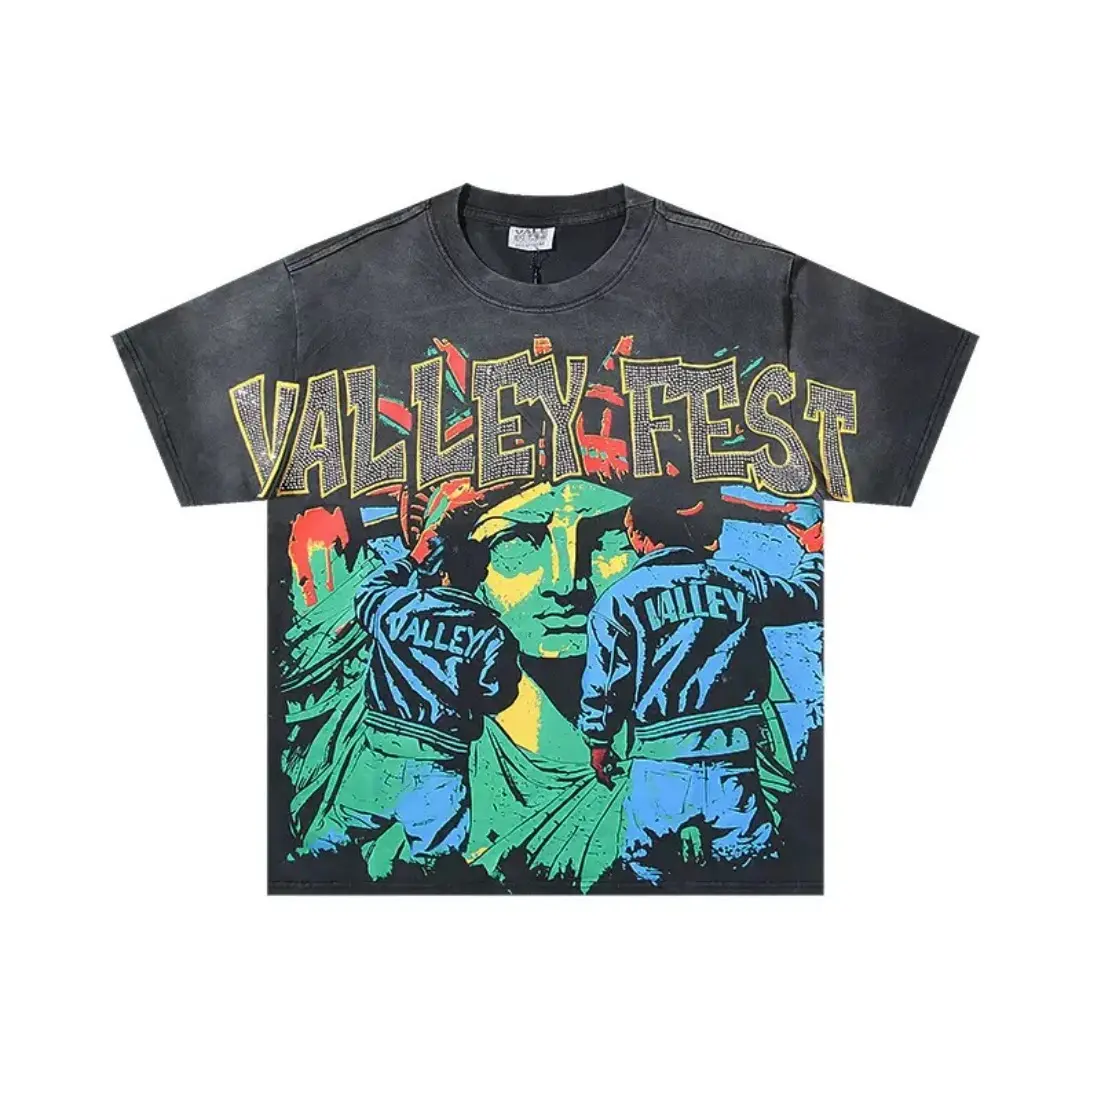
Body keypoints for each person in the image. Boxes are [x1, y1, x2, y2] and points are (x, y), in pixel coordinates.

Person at [577, 491, 824, 885]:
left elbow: (606, 684)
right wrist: (814, 551)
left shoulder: (618, 600)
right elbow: (808, 598)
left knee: (645, 874)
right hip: (734, 764)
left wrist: (598, 741)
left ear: (638, 537)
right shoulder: (740, 580)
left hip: (659, 766)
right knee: (753, 873)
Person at [304, 525, 521, 866]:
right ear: (481, 575)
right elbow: (496, 695)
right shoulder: (493, 634)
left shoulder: (395, 606)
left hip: (378, 754)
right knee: (438, 867)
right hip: (440, 764)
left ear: (443, 572)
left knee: (329, 843)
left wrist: (412, 559)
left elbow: (367, 591)